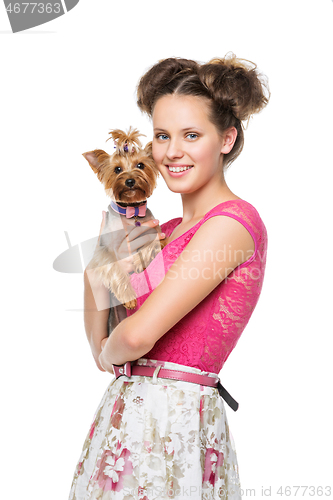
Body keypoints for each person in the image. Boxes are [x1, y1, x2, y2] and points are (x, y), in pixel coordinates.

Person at [68, 54, 270, 500]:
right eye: (162, 136)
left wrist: (109, 354)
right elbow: (98, 298)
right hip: (127, 416)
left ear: (226, 138)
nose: (171, 152)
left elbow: (135, 338)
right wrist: (105, 256)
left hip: (172, 420)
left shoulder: (232, 223)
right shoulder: (161, 232)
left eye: (191, 135)